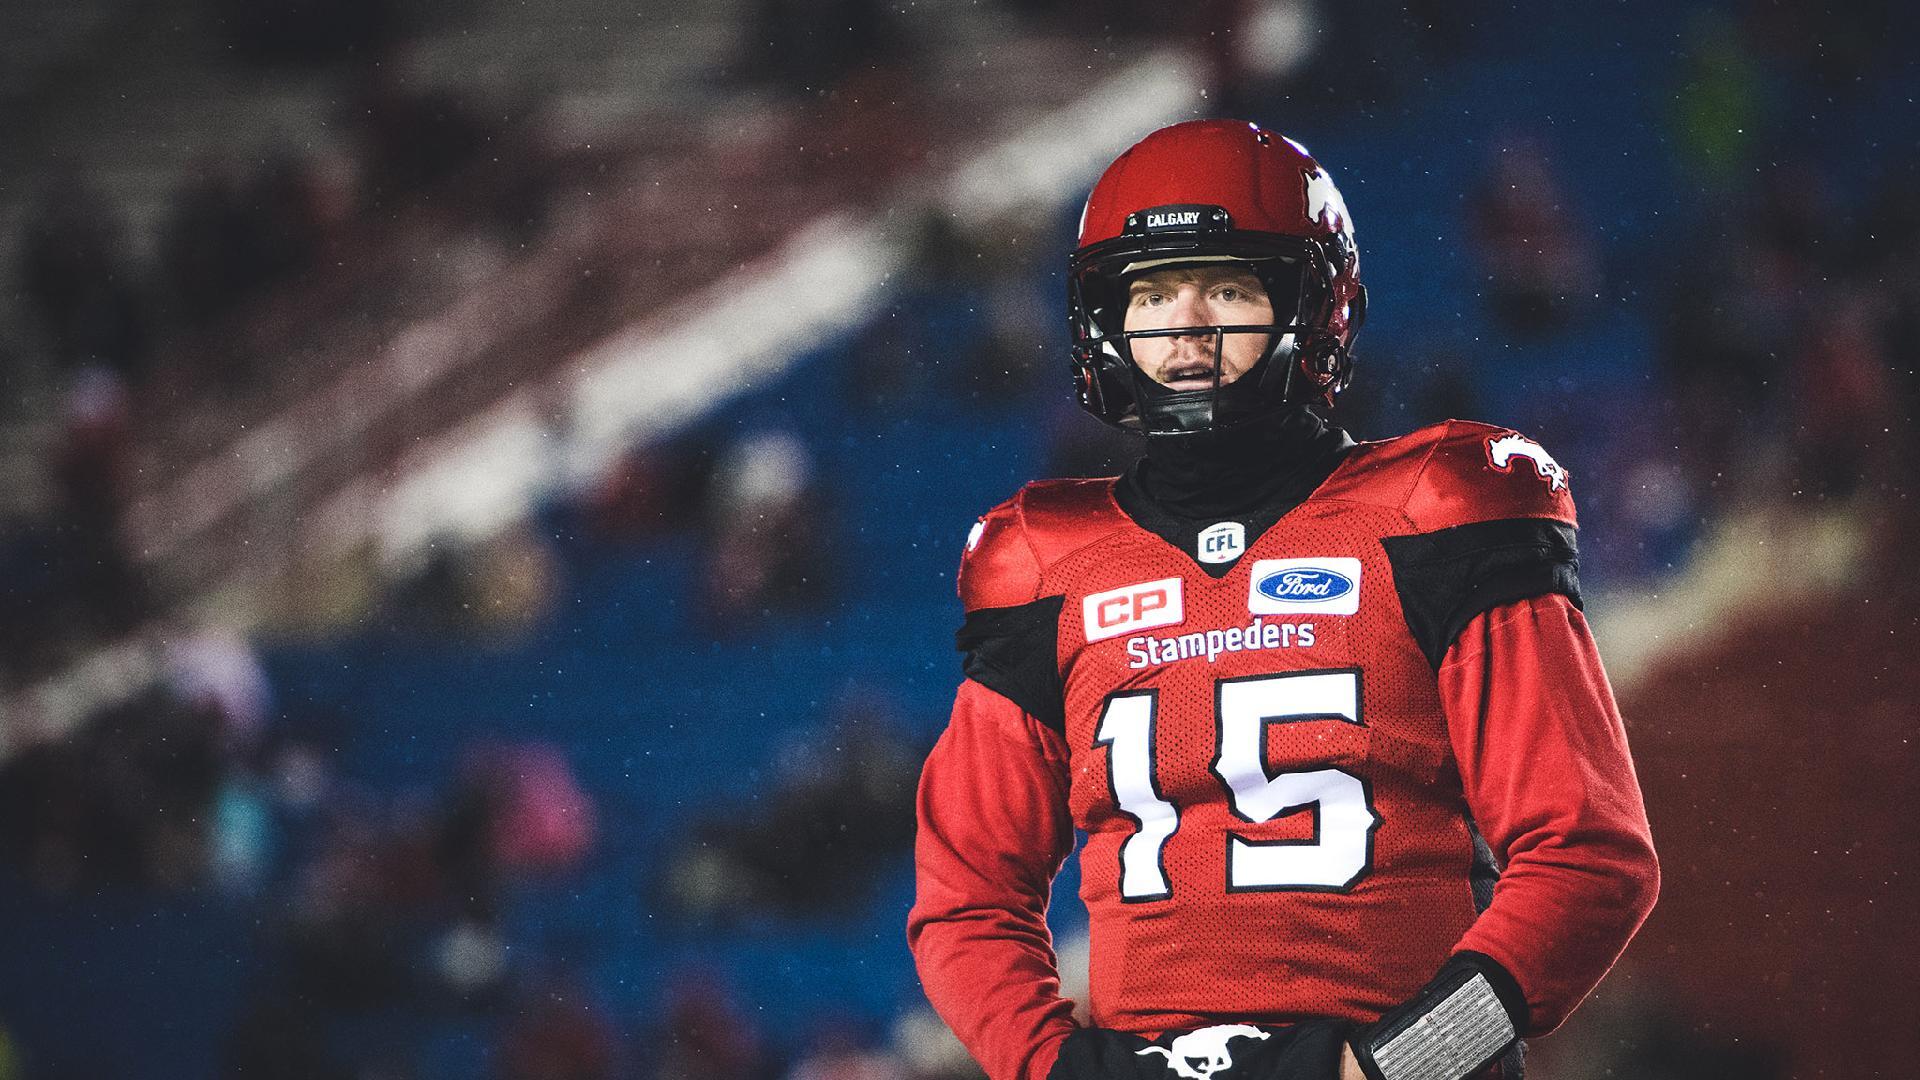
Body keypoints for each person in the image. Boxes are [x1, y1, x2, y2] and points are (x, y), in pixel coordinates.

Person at [906, 119, 1659, 1080]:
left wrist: (1400, 1064)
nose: (1185, 327)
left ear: (1315, 304)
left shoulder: (1439, 511)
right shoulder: (1045, 561)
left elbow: (1593, 858)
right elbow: (966, 897)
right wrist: (1051, 1070)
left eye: (1226, 287)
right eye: (1151, 293)